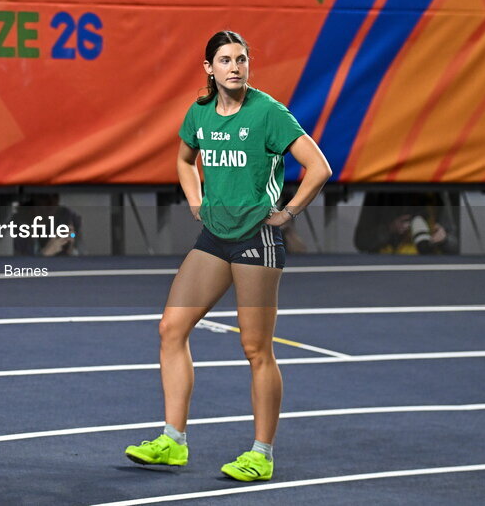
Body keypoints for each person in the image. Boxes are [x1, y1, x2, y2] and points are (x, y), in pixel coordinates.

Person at [124, 31, 331, 481]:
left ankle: (261, 453)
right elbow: (184, 161)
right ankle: (172, 442)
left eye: (240, 59)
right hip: (215, 238)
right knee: (171, 327)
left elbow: (319, 167)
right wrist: (195, 200)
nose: (235, 66)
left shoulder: (269, 113)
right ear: (209, 68)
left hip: (257, 237)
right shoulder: (199, 113)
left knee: (256, 348)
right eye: (224, 59)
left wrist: (288, 213)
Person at [353, 192, 458, 255]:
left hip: (429, 265)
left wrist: (444, 239)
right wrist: (389, 230)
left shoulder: (437, 193)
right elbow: (361, 241)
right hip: (387, 265)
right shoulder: (378, 191)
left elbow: (454, 245)